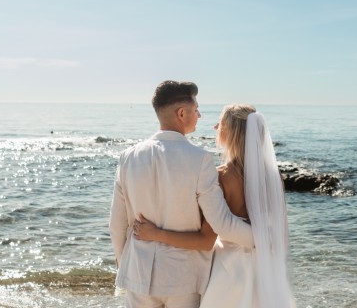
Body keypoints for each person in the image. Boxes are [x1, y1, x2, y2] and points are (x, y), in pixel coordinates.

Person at [134, 104, 295, 308]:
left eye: (220, 122)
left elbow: (205, 239)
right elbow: (275, 229)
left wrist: (156, 233)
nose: (215, 127)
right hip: (265, 269)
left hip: (229, 270)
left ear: (230, 131)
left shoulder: (221, 176)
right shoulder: (273, 177)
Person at [109, 81, 254, 308]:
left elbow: (117, 225)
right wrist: (264, 239)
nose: (199, 115)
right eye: (196, 110)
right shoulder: (201, 160)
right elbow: (222, 223)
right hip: (183, 279)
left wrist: (125, 265)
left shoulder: (128, 157)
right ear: (181, 113)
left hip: (138, 275)